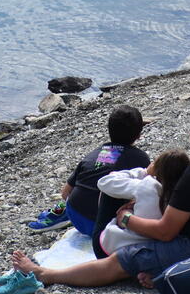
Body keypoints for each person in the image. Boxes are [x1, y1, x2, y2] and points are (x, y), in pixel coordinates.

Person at [10, 105, 190, 289]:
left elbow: (165, 232)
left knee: (121, 260)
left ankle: (44, 274)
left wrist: (126, 220)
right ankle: (154, 272)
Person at [28, 105, 150, 251]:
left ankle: (61, 214)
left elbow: (65, 193)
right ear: (138, 135)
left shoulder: (96, 154)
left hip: (75, 213)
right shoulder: (140, 158)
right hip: (101, 226)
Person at [95, 149, 190, 256]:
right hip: (156, 248)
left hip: (119, 248)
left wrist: (144, 172)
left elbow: (104, 182)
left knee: (109, 192)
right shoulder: (185, 194)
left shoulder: (147, 186)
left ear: (156, 169)